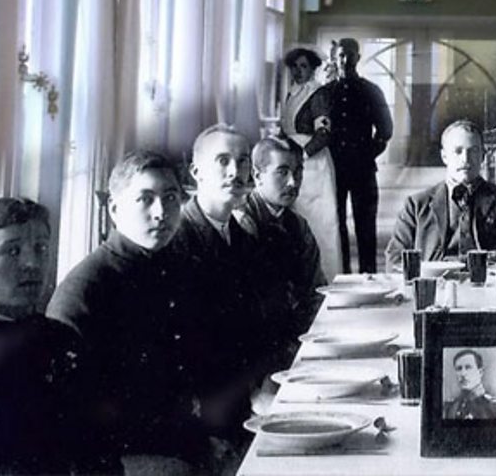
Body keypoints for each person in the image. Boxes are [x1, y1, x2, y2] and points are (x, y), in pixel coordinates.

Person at [50, 151, 214, 468]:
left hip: (183, 437)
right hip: (124, 455)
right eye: (145, 199)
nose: (161, 213)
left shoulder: (181, 267)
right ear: (115, 210)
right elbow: (72, 412)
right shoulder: (85, 289)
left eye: (170, 198)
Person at [0, 198, 104, 474]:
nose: (32, 263)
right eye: (13, 251)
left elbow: (98, 448)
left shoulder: (65, 340)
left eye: (41, 248)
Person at [169, 124, 287, 446]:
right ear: (196, 172)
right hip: (207, 410)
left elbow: (259, 323)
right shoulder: (177, 239)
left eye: (243, 161)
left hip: (247, 392)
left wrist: (265, 383)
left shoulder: (242, 237)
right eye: (222, 160)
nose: (235, 172)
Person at [384, 119, 496, 267]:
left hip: (490, 282)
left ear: (483, 156)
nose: (466, 159)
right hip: (435, 283)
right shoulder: (416, 205)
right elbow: (395, 260)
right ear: (444, 157)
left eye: (473, 151)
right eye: (458, 151)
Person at [239, 134, 326, 349]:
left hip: (296, 338)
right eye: (282, 172)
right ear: (257, 176)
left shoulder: (298, 225)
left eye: (298, 172)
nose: (293, 182)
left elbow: (316, 290)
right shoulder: (240, 224)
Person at [318, 38, 393, 274]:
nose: (345, 60)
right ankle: (343, 273)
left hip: (363, 169)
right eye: (341, 55)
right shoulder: (325, 93)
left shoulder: (370, 91)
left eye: (350, 55)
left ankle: (368, 275)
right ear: (335, 58)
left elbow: (385, 130)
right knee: (336, 223)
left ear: (358, 58)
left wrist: (366, 154)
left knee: (366, 225)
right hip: (334, 170)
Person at [280, 45, 342, 282]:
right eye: (294, 67)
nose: (298, 71)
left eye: (303, 66)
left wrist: (301, 155)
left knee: (319, 222)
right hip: (293, 163)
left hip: (313, 165)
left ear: (313, 69)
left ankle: (325, 276)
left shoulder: (318, 94)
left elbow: (324, 134)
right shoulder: (292, 94)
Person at [443, 349, 496, 420]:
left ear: (480, 373)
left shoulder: (495, 407)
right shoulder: (450, 408)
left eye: (468, 367)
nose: (463, 374)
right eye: (459, 369)